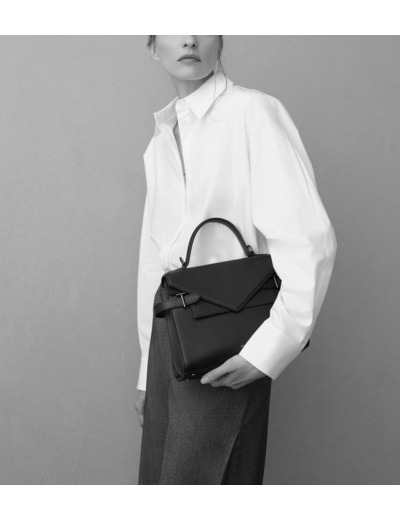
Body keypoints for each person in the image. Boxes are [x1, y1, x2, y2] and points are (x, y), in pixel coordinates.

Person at [135, 35, 337, 485]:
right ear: (152, 47)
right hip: (170, 336)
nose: (190, 38)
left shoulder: (253, 113)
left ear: (221, 40)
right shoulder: (164, 134)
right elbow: (155, 260)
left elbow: (310, 238)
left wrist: (270, 350)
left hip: (227, 333)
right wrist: (147, 370)